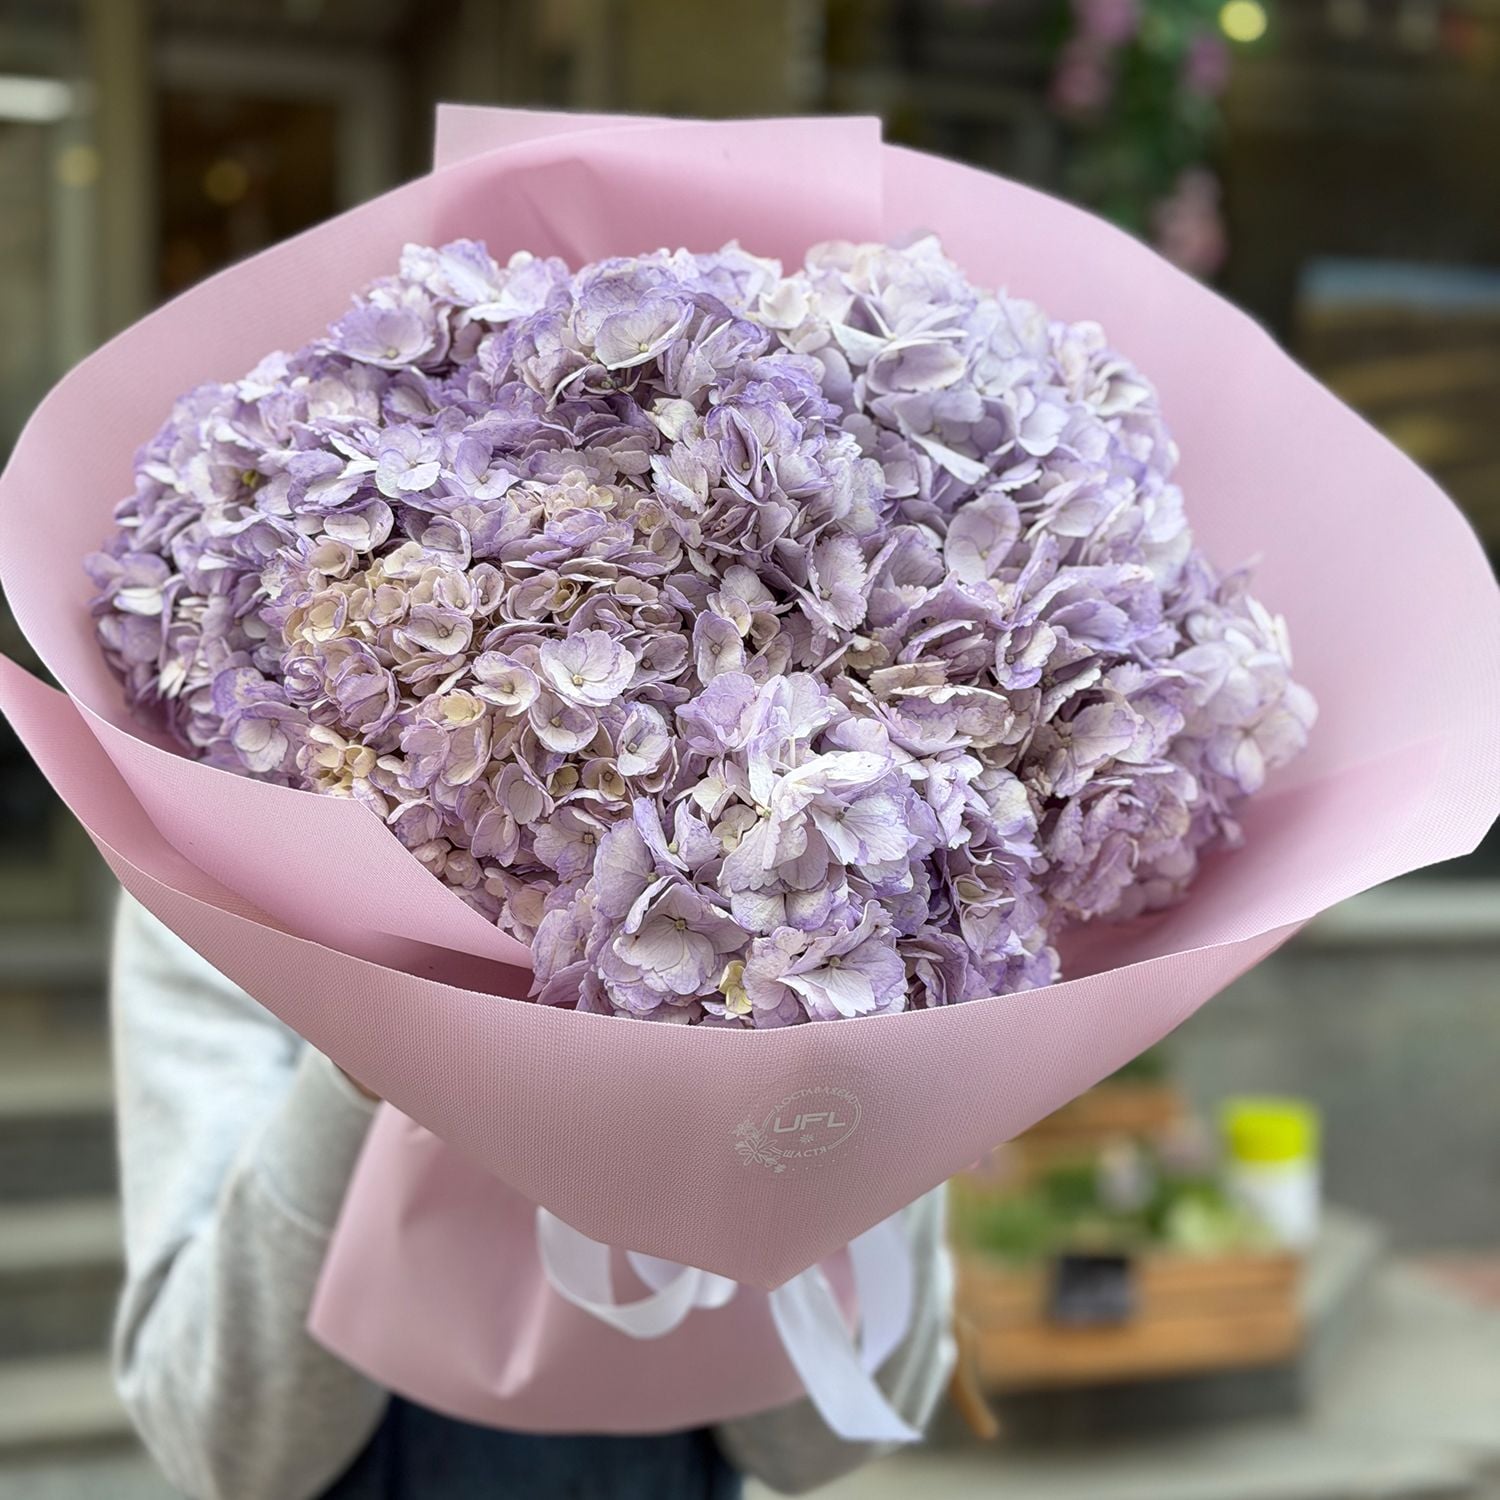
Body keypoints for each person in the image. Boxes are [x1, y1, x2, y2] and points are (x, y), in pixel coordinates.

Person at [109, 893, 956, 1500]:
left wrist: (842, 1077)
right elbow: (228, 1448)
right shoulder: (207, 879)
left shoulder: (821, 891)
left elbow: (827, 1441)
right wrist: (358, 1058)